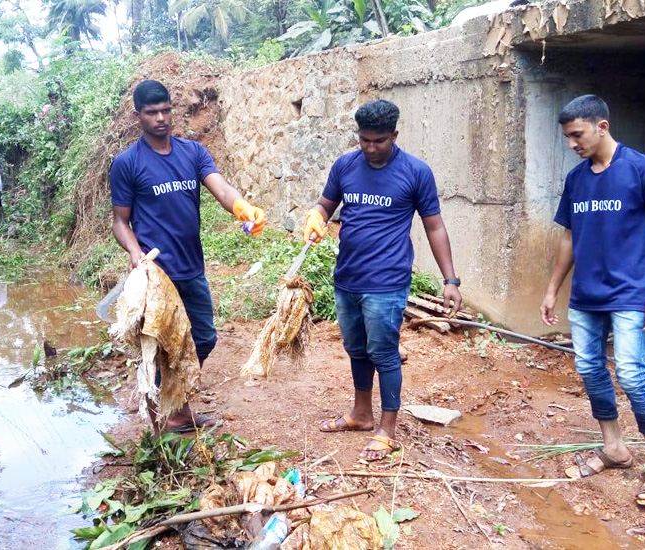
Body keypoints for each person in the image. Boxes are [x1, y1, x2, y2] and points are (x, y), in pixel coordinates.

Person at [537, 95, 645, 509]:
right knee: (589, 369)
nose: (572, 144)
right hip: (586, 296)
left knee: (633, 374)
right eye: (567, 137)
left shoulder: (644, 170)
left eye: (577, 135)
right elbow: (568, 237)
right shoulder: (577, 179)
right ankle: (614, 447)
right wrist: (552, 288)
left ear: (602, 126)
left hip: (630, 294)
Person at [301, 100, 460, 462]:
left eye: (379, 141)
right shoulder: (345, 165)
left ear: (395, 136)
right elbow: (327, 204)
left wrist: (450, 279)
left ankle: (387, 429)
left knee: (385, 353)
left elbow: (434, 226)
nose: (371, 148)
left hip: (387, 282)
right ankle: (360, 413)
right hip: (347, 278)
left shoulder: (416, 172)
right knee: (356, 349)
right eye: (364, 140)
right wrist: (317, 215)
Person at [108, 79, 268, 433]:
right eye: (152, 113)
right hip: (157, 276)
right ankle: (167, 416)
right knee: (164, 345)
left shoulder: (192, 153)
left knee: (203, 338)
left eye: (166, 110)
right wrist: (136, 254)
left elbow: (221, 188)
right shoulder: (127, 163)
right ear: (139, 117)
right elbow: (121, 222)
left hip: (191, 267)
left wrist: (243, 208)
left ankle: (174, 405)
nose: (161, 118)